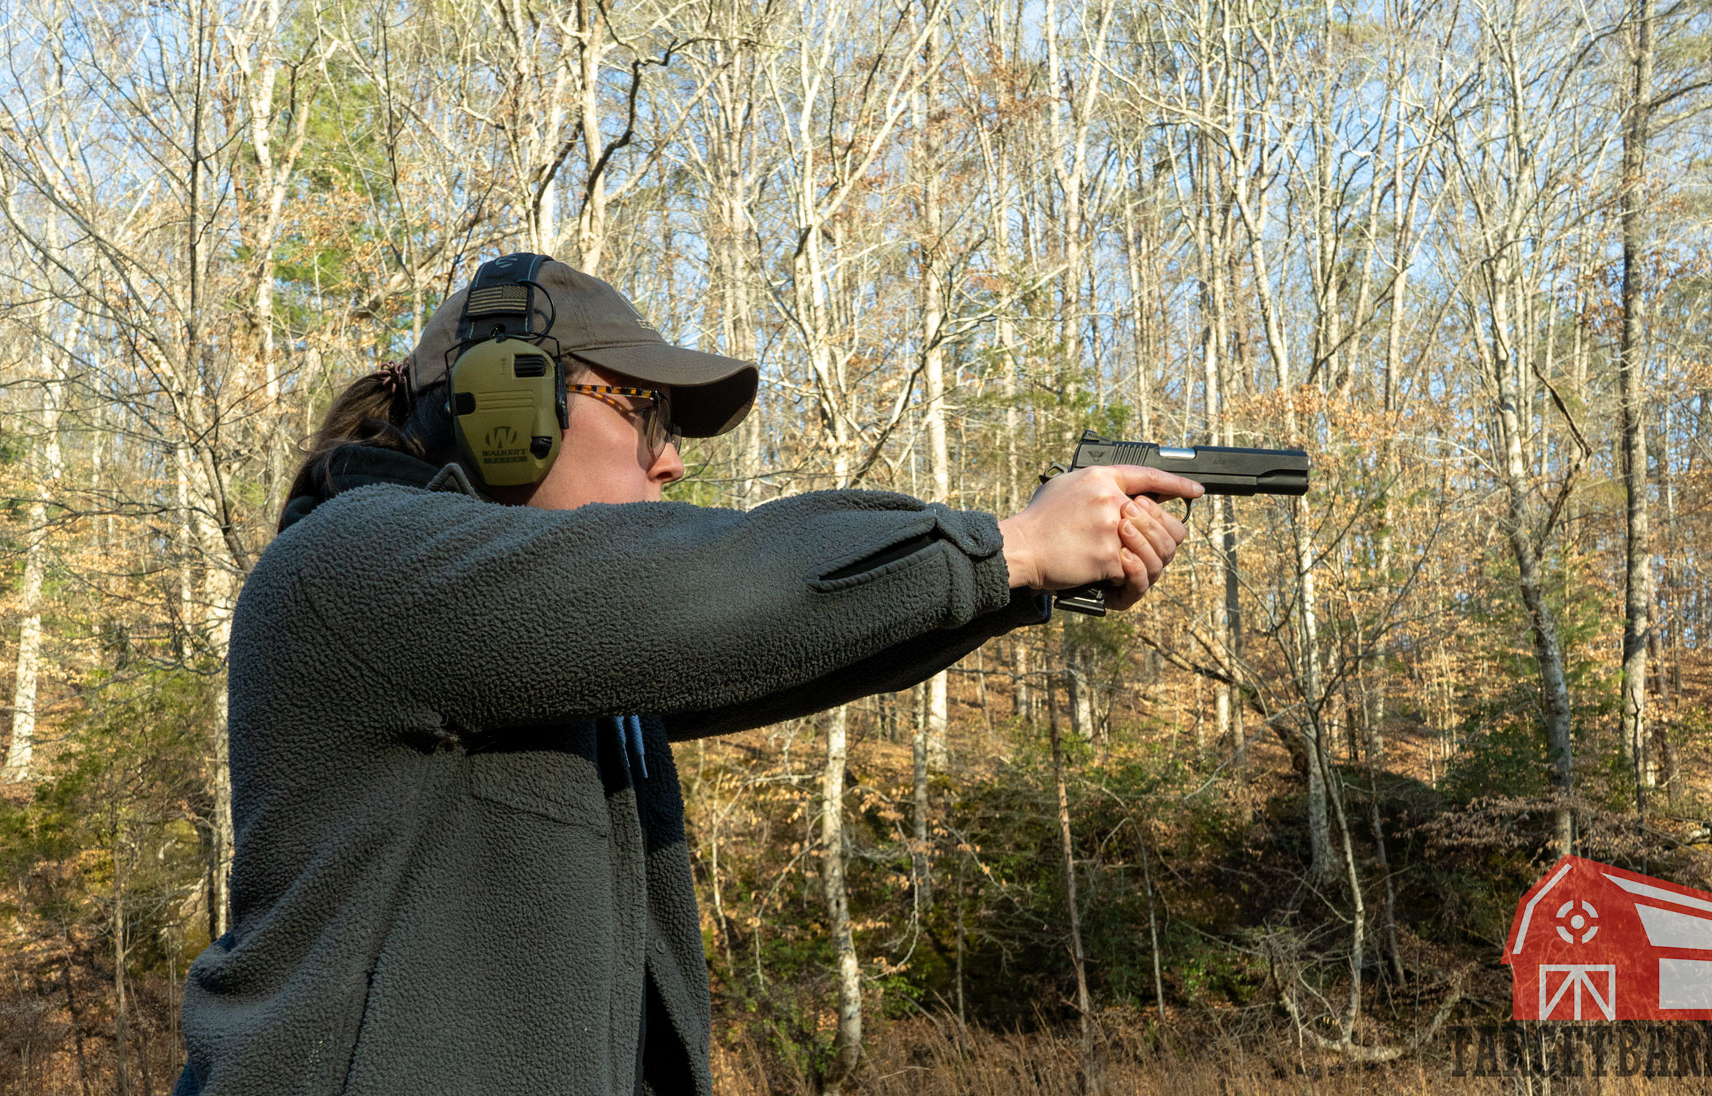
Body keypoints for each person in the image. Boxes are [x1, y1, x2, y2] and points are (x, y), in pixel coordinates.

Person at [170, 255, 1200, 1096]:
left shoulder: (540, 647)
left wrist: (1016, 580)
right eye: (645, 414)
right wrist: (1006, 547)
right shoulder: (357, 562)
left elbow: (776, 651)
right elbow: (718, 587)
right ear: (506, 404)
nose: (669, 460)